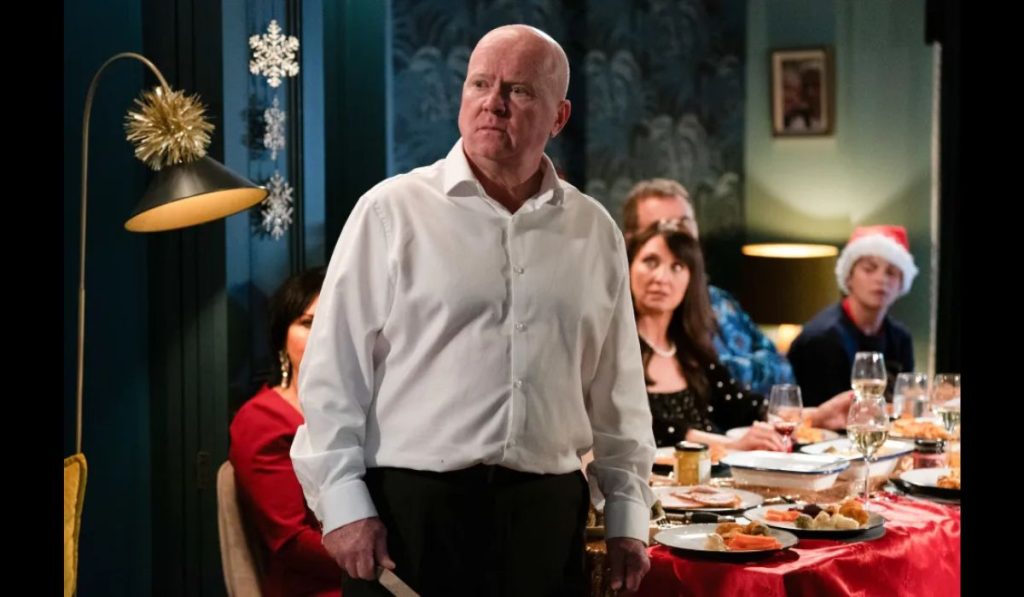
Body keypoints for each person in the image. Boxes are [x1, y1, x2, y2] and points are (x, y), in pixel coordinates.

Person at [291, 25, 656, 596]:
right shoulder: (391, 211)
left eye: (518, 90)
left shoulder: (595, 231)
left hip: (546, 519)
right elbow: (332, 375)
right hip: (410, 516)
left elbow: (620, 393)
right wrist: (341, 506)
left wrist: (628, 520)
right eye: (480, 84)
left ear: (559, 117)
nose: (493, 103)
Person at [628, 223, 852, 451]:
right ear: (628, 267)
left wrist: (818, 416)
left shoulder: (692, 349)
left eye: (677, 266)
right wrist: (732, 445)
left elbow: (744, 407)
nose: (661, 277)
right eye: (650, 262)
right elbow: (648, 427)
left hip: (714, 472)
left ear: (691, 280)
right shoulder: (616, 350)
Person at [621, 178, 794, 396]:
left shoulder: (721, 302)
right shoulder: (625, 317)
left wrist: (718, 368)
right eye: (661, 227)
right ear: (631, 243)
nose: (677, 236)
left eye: (684, 224)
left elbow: (782, 371)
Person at [228, 268, 341, 597]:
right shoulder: (262, 420)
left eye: (333, 322)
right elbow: (292, 542)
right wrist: (383, 562)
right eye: (307, 323)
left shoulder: (360, 411)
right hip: (317, 585)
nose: (321, 335)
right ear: (281, 337)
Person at [788, 225, 918, 407]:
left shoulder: (901, 338)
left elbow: (906, 407)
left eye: (891, 272)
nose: (881, 279)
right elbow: (818, 415)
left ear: (902, 284)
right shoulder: (821, 339)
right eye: (869, 269)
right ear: (849, 277)